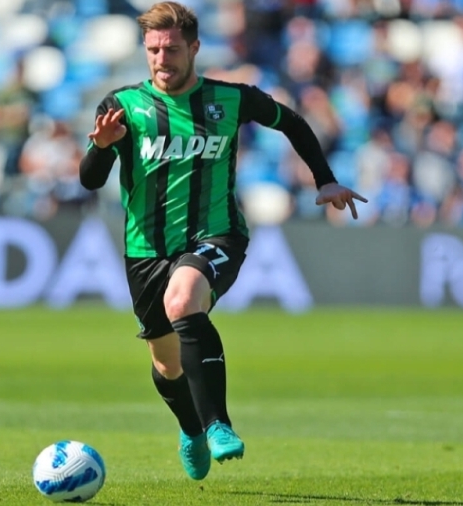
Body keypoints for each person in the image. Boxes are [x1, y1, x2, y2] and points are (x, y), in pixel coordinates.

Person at [78, 1, 367, 481]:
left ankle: (217, 425)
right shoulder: (122, 105)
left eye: (172, 49)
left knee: (183, 298)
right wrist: (101, 147)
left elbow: (291, 121)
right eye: (153, 50)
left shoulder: (231, 99)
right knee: (166, 365)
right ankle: (191, 428)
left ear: (194, 48)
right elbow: (90, 180)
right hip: (146, 249)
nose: (162, 59)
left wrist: (325, 180)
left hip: (218, 233)